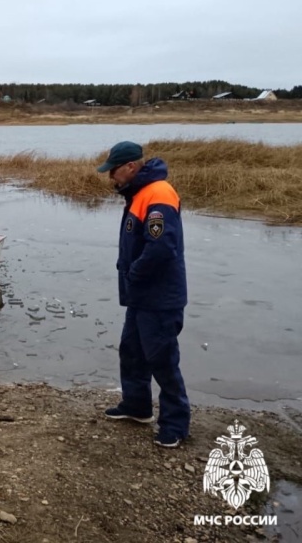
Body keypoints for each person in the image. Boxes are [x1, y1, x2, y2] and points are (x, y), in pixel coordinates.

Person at [96, 141, 190, 448]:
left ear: (130, 167)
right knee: (132, 351)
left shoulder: (158, 194)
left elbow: (162, 248)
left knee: (162, 359)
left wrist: (134, 274)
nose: (112, 179)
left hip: (160, 297)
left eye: (113, 172)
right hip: (141, 296)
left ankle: (175, 425)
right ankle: (137, 406)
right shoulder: (139, 194)